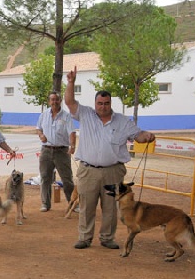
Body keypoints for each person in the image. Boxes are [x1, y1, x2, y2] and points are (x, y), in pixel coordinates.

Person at [64, 66, 155, 250]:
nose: (103, 106)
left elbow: (138, 135)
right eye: (100, 103)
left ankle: (107, 238)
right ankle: (85, 238)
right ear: (95, 103)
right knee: (86, 206)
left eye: (106, 103)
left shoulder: (123, 121)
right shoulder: (86, 114)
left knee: (111, 208)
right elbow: (69, 101)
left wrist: (146, 136)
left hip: (113, 171)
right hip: (88, 171)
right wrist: (71, 83)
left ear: (110, 103)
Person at [36, 91, 77, 212]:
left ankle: (73, 204)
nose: (54, 102)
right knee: (45, 178)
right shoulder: (43, 115)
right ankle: (45, 204)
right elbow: (38, 128)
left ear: (60, 101)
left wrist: (72, 146)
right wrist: (41, 135)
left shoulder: (66, 116)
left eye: (57, 99)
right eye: (52, 99)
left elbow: (72, 132)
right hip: (46, 150)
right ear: (49, 101)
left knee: (67, 179)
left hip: (62, 151)